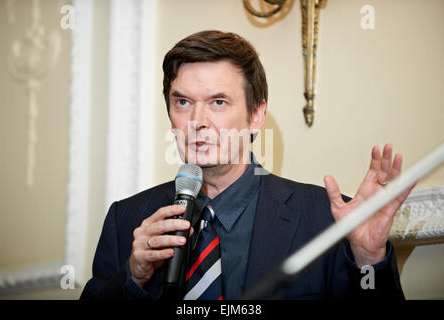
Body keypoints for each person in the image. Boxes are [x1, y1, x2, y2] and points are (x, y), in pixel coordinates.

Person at [80, 30, 415, 300]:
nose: (197, 121)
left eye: (218, 102)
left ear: (256, 116)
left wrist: (369, 259)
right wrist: (132, 279)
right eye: (182, 102)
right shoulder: (126, 221)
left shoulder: (325, 218)